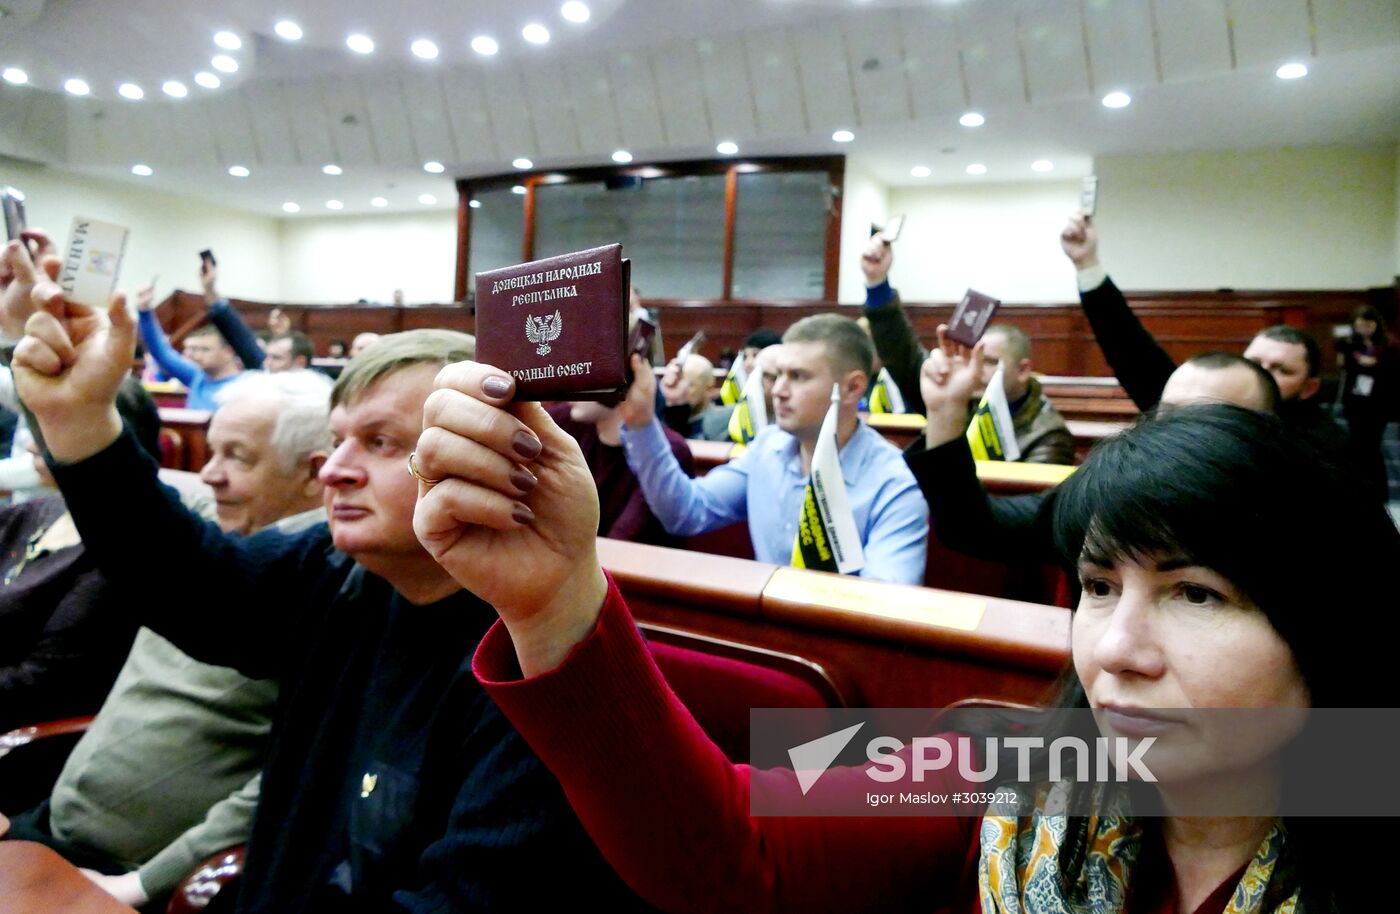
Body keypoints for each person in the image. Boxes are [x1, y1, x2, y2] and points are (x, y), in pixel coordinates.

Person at [413, 375, 1398, 913]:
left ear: (1323, 621)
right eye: (1097, 587)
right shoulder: (1000, 748)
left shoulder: (1372, 799)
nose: (1118, 649)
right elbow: (729, 842)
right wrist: (558, 597)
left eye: (1195, 592)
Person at [8, 269, 647, 910]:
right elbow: (189, 585)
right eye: (338, 439)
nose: (335, 471)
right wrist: (81, 422)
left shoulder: (541, 649)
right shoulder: (334, 567)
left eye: (379, 442)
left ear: (491, 461)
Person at [3, 370, 333, 909]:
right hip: (55, 822)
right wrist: (42, 360)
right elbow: (133, 499)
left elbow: (283, 785)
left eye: (238, 458)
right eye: (213, 450)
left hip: (142, 876)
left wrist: (144, 884)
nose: (210, 474)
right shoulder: (206, 530)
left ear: (315, 475)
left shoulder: (324, 589)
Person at [908, 325, 1281, 568]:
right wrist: (946, 412)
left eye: (1204, 421)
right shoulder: (1110, 495)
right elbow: (972, 528)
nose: (1176, 435)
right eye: (1167, 415)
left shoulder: (1293, 529)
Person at [620, 314, 928, 585]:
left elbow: (886, 605)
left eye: (798, 376)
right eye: (779, 375)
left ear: (851, 388)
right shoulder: (767, 447)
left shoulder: (895, 483)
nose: (778, 391)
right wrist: (641, 423)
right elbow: (686, 512)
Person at [1058, 213, 1348, 458]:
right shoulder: (1198, 408)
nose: (1263, 374)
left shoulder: (1325, 451)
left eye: (1282, 370)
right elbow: (1131, 351)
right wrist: (1087, 265)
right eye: (1254, 361)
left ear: (1308, 388)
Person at [860, 238, 1072, 463]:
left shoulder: (1049, 435)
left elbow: (1022, 495)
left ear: (1023, 370)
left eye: (989, 362)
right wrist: (877, 284)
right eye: (973, 360)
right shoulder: (964, 396)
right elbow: (903, 356)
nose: (976, 371)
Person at [548, 396, 695, 547]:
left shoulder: (666, 452)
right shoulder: (570, 421)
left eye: (587, 379)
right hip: (583, 559)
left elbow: (625, 537)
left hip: (635, 564)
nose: (571, 390)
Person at [1336, 304, 1397, 501]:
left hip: (1378, 403)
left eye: (1367, 325)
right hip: (1356, 401)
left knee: (1372, 447)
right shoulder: (1350, 345)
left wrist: (1375, 364)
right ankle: (1358, 490)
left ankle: (1379, 493)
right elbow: (1344, 369)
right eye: (1359, 325)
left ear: (1376, 325)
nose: (1363, 329)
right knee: (1356, 447)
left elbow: (1393, 375)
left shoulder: (1389, 346)